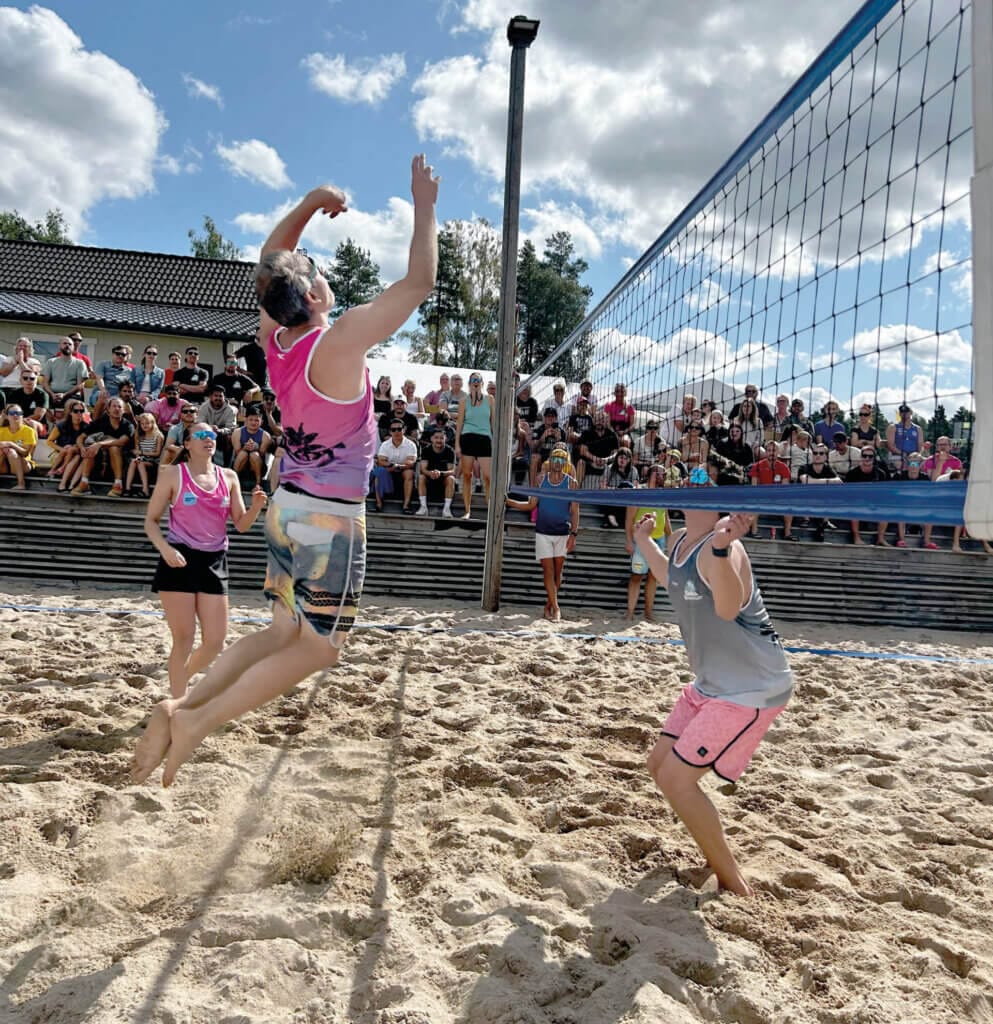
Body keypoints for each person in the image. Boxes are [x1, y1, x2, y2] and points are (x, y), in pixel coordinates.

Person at [131, 155, 439, 789]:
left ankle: (179, 707)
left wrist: (307, 204)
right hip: (329, 519)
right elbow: (420, 282)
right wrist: (424, 201)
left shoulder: (276, 341)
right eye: (322, 275)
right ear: (317, 295)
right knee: (320, 647)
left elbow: (274, 259)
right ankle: (198, 721)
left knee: (281, 632)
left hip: (286, 507)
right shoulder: (341, 340)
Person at [633, 503, 793, 897]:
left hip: (751, 687)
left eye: (702, 479)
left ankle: (734, 884)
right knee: (658, 765)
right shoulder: (679, 539)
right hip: (711, 683)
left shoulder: (725, 546)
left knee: (676, 779)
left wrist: (722, 550)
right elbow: (670, 575)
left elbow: (726, 609)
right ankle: (713, 853)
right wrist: (642, 541)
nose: (692, 480)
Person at [145, 422, 267, 699]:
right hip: (179, 559)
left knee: (215, 642)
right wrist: (164, 549)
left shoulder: (229, 477)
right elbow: (150, 522)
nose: (207, 439)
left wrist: (257, 507)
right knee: (184, 639)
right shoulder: (173, 474)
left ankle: (181, 674)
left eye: (211, 435)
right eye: (200, 435)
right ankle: (178, 705)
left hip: (214, 559)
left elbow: (242, 524)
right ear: (187, 444)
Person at [506, 445, 579, 622]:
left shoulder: (571, 483)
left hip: (562, 531)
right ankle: (556, 608)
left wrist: (574, 534)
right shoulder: (541, 480)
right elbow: (531, 505)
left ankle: (548, 605)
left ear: (566, 463)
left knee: (557, 573)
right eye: (555, 457)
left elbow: (575, 511)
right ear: (550, 460)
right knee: (548, 570)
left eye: (562, 458)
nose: (558, 461)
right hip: (543, 531)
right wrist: (509, 502)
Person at [69, 395, 135, 496]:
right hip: (99, 459)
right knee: (89, 448)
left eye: (119, 407)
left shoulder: (128, 425)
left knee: (113, 448)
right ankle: (84, 483)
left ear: (124, 411)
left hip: (122, 458)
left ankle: (118, 484)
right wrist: (82, 448)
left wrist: (99, 444)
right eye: (114, 406)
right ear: (108, 410)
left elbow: (122, 441)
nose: (117, 409)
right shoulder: (100, 422)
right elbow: (80, 438)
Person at [625, 488, 671, 621]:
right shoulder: (639, 494)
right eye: (657, 473)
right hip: (640, 539)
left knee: (653, 577)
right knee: (636, 576)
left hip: (659, 539)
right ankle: (630, 612)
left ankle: (648, 612)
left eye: (663, 475)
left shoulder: (663, 495)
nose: (660, 477)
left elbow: (666, 518)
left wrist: (671, 538)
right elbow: (629, 520)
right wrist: (628, 541)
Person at [455, 372, 494, 519]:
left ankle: (490, 509)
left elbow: (493, 423)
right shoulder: (464, 402)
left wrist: (495, 442)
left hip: (484, 439)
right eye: (473, 380)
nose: (475, 382)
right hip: (468, 438)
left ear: (482, 383)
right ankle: (467, 510)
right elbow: (459, 424)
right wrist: (457, 444)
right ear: (469, 383)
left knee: (488, 476)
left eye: (478, 380)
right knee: (466, 475)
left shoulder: (490, 399)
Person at [845, 446, 889, 545]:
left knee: (886, 508)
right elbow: (848, 494)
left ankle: (880, 539)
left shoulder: (881, 474)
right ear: (861, 457)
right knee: (854, 507)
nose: (867, 458)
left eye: (870, 456)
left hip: (874, 503)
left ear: (874, 458)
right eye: (865, 456)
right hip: (857, 503)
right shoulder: (852, 473)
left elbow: (883, 493)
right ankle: (857, 538)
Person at [40, 336, 88, 416]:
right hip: (52, 394)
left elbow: (80, 385)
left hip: (72, 395)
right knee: (41, 403)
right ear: (60, 346)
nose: (67, 345)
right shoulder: (51, 362)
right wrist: (52, 394)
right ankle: (50, 426)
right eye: (65, 343)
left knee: (71, 404)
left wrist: (64, 394)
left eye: (70, 344)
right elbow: (45, 383)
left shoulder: (80, 363)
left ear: (73, 347)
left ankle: (62, 426)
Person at [47, 399, 88, 488]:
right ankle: (63, 478)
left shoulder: (86, 427)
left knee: (77, 456)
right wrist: (62, 449)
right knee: (74, 456)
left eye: (81, 411)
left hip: (77, 453)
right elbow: (49, 441)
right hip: (60, 453)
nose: (79, 413)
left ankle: (63, 477)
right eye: (76, 411)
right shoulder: (61, 425)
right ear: (70, 412)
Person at [416, 425, 456, 517]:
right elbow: (423, 469)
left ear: (445, 439)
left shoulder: (450, 451)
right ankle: (423, 507)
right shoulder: (426, 450)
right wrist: (430, 473)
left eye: (441, 438)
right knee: (421, 477)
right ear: (431, 439)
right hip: (429, 479)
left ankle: (446, 509)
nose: (439, 440)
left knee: (451, 479)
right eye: (436, 438)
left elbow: (452, 470)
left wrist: (440, 473)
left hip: (443, 480)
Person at [125, 412, 165, 497]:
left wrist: (142, 453)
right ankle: (127, 489)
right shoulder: (139, 435)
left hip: (152, 460)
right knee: (134, 462)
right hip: (141, 458)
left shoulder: (158, 436)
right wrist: (138, 456)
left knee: (140, 463)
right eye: (142, 423)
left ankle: (145, 489)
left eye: (147, 423)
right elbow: (137, 451)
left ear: (152, 423)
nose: (144, 425)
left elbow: (157, 453)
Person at [231, 406, 273, 487]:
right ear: (246, 420)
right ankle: (234, 481)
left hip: (258, 466)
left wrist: (256, 448)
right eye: (250, 420)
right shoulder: (237, 432)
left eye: (256, 420)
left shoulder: (266, 436)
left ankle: (258, 483)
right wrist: (245, 447)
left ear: (261, 422)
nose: (253, 423)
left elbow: (262, 454)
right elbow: (237, 452)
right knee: (243, 453)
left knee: (254, 455)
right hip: (241, 465)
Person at [0, 405, 37, 490]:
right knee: (3, 450)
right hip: (4, 466)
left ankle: (21, 483)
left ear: (22, 416)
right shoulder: (1, 431)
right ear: (7, 416)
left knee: (11, 451)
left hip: (24, 464)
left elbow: (25, 453)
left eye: (18, 413)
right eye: (12, 413)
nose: (15, 415)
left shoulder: (28, 431)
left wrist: (11, 444)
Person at [886, 404, 922, 474]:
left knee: (926, 462)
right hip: (898, 455)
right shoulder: (893, 427)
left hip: (914, 456)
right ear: (899, 414)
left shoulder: (917, 429)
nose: (904, 414)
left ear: (911, 412)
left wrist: (916, 455)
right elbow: (890, 445)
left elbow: (920, 445)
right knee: (901, 463)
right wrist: (903, 454)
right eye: (902, 412)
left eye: (906, 411)